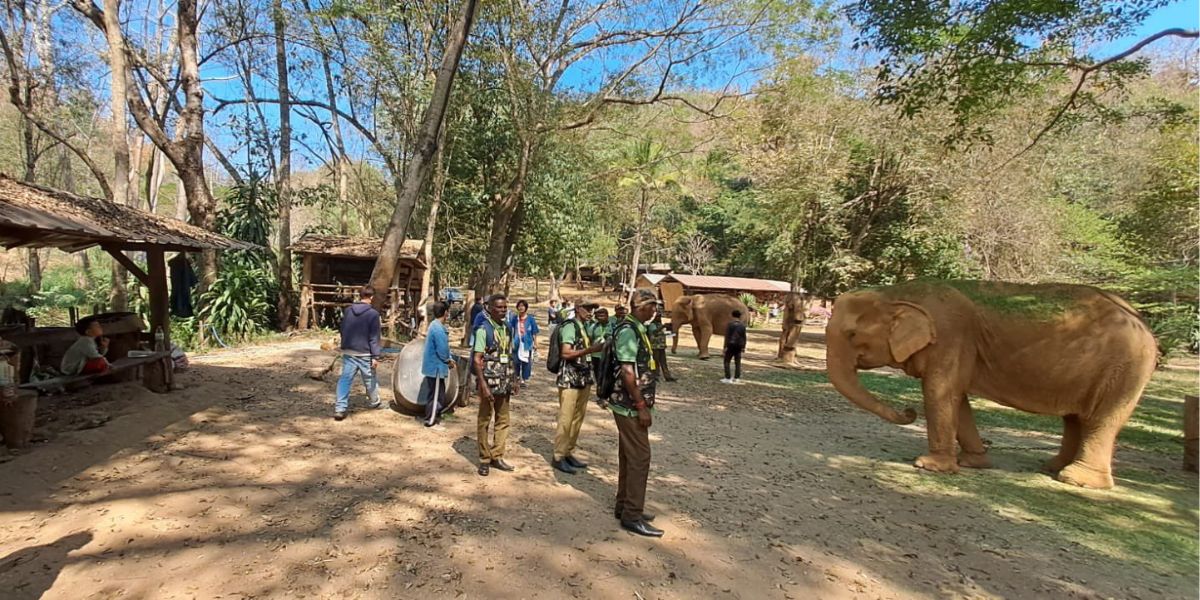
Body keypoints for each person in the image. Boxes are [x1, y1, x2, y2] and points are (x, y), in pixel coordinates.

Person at [607, 288, 664, 538]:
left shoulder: (636, 328)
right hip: (629, 406)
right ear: (641, 307)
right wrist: (641, 406)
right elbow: (628, 372)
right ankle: (632, 515)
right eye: (652, 305)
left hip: (629, 404)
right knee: (640, 458)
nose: (655, 310)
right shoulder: (629, 331)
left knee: (629, 456)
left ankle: (624, 505)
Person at [552, 300, 604, 474]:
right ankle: (558, 456)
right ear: (577, 308)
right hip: (570, 378)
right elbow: (566, 353)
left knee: (577, 418)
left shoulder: (585, 327)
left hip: (583, 377)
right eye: (587, 308)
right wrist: (590, 350)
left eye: (592, 309)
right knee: (566, 418)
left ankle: (568, 451)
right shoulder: (570, 326)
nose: (590, 312)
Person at [474, 294, 520, 476]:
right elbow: (477, 359)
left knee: (503, 420)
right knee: (484, 420)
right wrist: (483, 385)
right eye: (499, 308)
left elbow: (510, 355)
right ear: (490, 309)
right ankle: (484, 459)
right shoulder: (483, 330)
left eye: (505, 307)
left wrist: (514, 379)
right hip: (489, 382)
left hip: (505, 381)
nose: (503, 310)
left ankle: (497, 455)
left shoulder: (507, 328)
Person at [335, 286, 383, 420]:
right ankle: (374, 402)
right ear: (371, 297)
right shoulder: (373, 314)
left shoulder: (348, 311)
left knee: (345, 379)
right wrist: (375, 356)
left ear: (360, 296)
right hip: (365, 353)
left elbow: (342, 329)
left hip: (349, 351)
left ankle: (340, 408)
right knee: (369, 378)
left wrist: (345, 344)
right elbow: (374, 337)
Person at [420, 301, 457, 427]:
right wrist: (449, 360)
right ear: (446, 312)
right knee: (436, 395)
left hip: (434, 367)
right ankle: (430, 420)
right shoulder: (438, 329)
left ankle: (434, 417)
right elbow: (442, 350)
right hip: (435, 367)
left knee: (437, 393)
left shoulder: (434, 325)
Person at [508, 300, 540, 384]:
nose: (521, 307)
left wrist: (535, 343)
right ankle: (517, 376)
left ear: (526, 307)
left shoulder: (531, 319)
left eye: (522, 306)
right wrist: (511, 341)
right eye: (519, 306)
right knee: (516, 361)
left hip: (527, 342)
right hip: (516, 342)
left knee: (526, 361)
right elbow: (511, 330)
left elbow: (534, 332)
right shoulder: (515, 318)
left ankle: (524, 378)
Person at [646, 306, 676, 382]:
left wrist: (669, 328)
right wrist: (663, 326)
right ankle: (655, 375)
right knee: (656, 361)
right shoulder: (652, 324)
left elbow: (663, 333)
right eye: (657, 316)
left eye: (660, 316)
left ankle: (667, 376)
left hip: (661, 346)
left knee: (663, 362)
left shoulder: (659, 324)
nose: (659, 318)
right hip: (654, 346)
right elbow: (654, 332)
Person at [721, 309, 747, 384]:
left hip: (731, 344)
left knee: (727, 361)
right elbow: (744, 337)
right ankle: (737, 377)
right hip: (739, 345)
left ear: (732, 315)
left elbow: (727, 336)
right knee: (737, 362)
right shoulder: (742, 325)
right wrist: (743, 346)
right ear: (739, 316)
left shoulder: (730, 324)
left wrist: (725, 347)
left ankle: (728, 377)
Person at [589, 307, 610, 383]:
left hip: (608, 355)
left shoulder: (613, 326)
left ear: (607, 316)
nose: (600, 318)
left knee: (608, 375)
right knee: (597, 375)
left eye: (602, 316)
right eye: (598, 316)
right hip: (596, 355)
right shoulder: (593, 327)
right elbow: (589, 340)